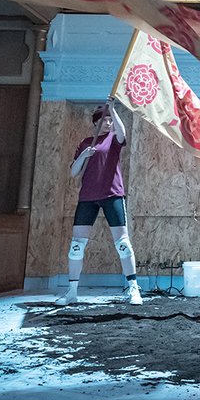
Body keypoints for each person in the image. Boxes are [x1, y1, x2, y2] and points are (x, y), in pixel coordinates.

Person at [55, 97, 142, 306]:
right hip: (88, 197)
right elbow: (74, 172)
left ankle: (133, 289)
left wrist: (113, 110)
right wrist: (84, 155)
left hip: (112, 195)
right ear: (95, 122)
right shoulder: (86, 143)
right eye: (104, 120)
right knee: (76, 246)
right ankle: (72, 292)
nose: (108, 123)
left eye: (110, 120)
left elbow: (123, 134)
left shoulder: (113, 138)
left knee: (123, 244)